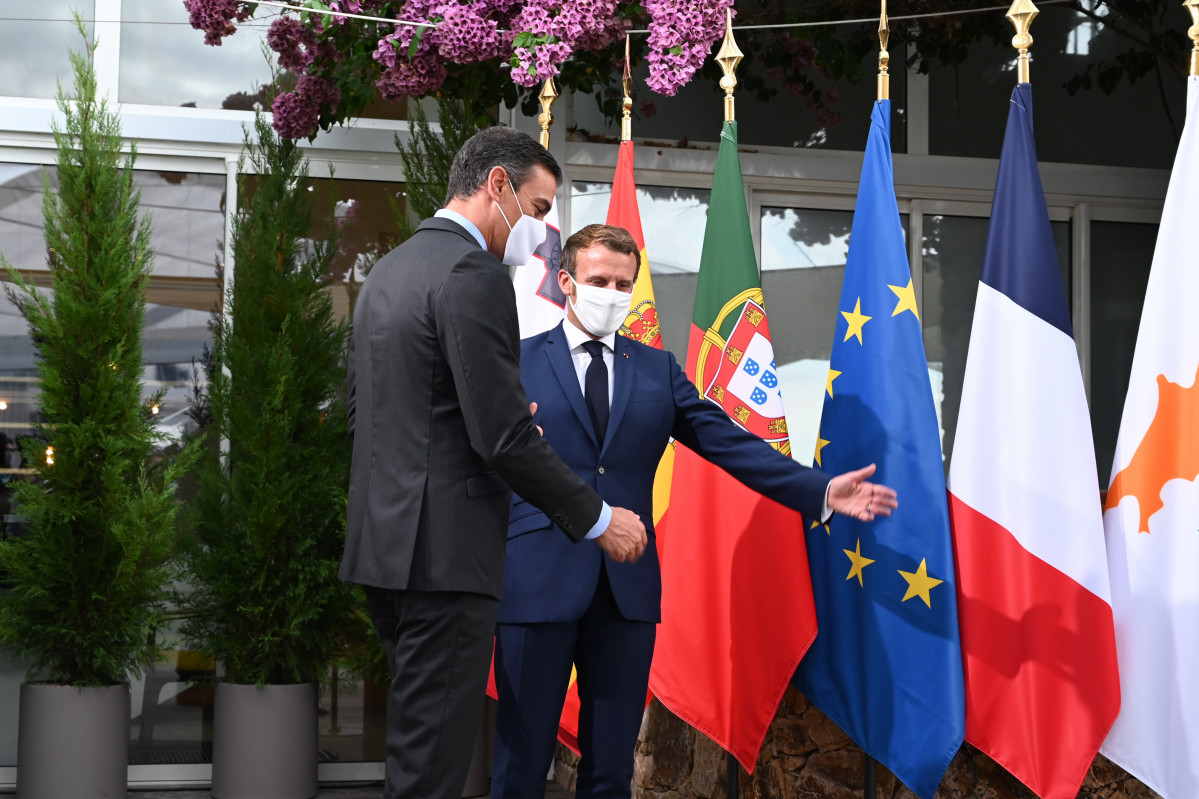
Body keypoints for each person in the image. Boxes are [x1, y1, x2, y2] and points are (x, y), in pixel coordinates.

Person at [490, 224, 898, 799]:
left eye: (623, 284)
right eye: (598, 280)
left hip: (625, 590)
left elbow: (726, 441)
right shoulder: (515, 361)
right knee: (519, 764)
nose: (612, 292)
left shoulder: (656, 369)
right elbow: (488, 458)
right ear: (566, 281)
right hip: (534, 581)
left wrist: (818, 490)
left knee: (610, 771)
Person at [340, 129, 648, 799]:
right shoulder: (472, 271)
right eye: (538, 209)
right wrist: (596, 519)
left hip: (385, 547)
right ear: (497, 186)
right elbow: (503, 437)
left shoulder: (390, 269)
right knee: (434, 770)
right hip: (446, 557)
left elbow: (368, 417)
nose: (540, 233)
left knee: (417, 748)